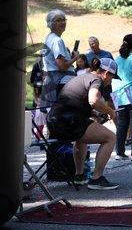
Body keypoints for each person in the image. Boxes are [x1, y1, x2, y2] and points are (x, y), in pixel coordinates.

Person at [46, 58, 119, 190]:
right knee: (111, 138)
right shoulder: (97, 80)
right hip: (69, 122)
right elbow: (93, 100)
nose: (110, 81)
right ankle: (96, 179)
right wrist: (111, 112)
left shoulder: (83, 77)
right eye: (112, 77)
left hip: (54, 122)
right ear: (106, 73)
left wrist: (95, 114)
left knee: (81, 139)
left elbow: (75, 103)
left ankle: (79, 176)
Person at [40, 9, 79, 106]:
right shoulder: (57, 41)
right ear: (51, 23)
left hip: (52, 80)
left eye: (64, 20)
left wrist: (70, 58)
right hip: (60, 81)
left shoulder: (48, 38)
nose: (63, 22)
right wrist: (75, 58)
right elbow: (62, 66)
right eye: (58, 20)